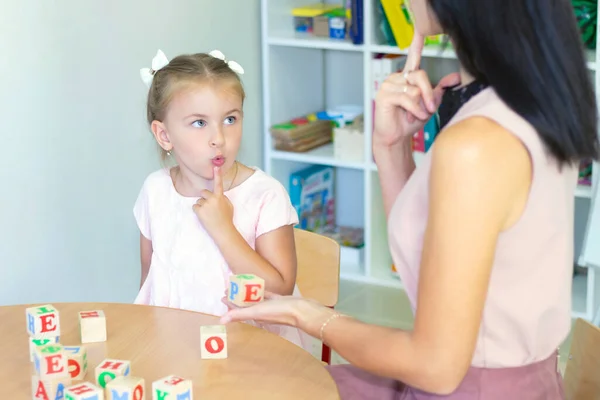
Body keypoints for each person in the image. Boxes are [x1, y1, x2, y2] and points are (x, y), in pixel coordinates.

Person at [220, 0, 600, 398]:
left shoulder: (477, 145)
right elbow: (430, 273)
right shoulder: (527, 100)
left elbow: (436, 367)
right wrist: (391, 147)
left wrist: (308, 315)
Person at [133, 49, 310, 352]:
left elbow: (280, 288)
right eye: (199, 123)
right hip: (176, 350)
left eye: (230, 119)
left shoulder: (265, 195)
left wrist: (223, 229)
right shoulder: (156, 191)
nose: (218, 137)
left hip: (253, 353)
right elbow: (150, 279)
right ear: (164, 135)